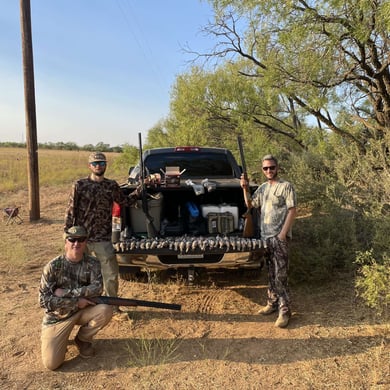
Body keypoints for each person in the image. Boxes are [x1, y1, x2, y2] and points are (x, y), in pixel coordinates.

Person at [64, 152, 142, 320]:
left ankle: (113, 308)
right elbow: (71, 209)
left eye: (101, 162)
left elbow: (125, 201)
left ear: (105, 165)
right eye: (95, 163)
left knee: (110, 274)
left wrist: (140, 190)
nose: (98, 165)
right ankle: (75, 306)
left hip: (102, 238)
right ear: (89, 166)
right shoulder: (79, 185)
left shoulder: (111, 185)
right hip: (81, 238)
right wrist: (68, 234)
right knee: (77, 274)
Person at [39, 226, 113, 370]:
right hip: (58, 318)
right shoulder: (53, 266)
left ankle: (82, 339)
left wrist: (65, 293)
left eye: (81, 239)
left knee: (105, 310)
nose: (76, 243)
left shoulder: (93, 263)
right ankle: (54, 338)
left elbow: (97, 289)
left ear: (86, 242)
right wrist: (76, 302)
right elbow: (44, 300)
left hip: (83, 311)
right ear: (65, 242)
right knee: (51, 364)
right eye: (72, 239)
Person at [241, 154, 297, 328]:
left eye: (272, 167)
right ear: (262, 170)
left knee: (281, 275)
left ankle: (284, 311)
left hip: (279, 238)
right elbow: (251, 205)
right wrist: (244, 188)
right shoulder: (263, 188)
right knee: (271, 272)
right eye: (265, 168)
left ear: (277, 168)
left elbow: (292, 210)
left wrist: (282, 234)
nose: (269, 170)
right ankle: (272, 304)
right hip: (265, 238)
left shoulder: (286, 186)